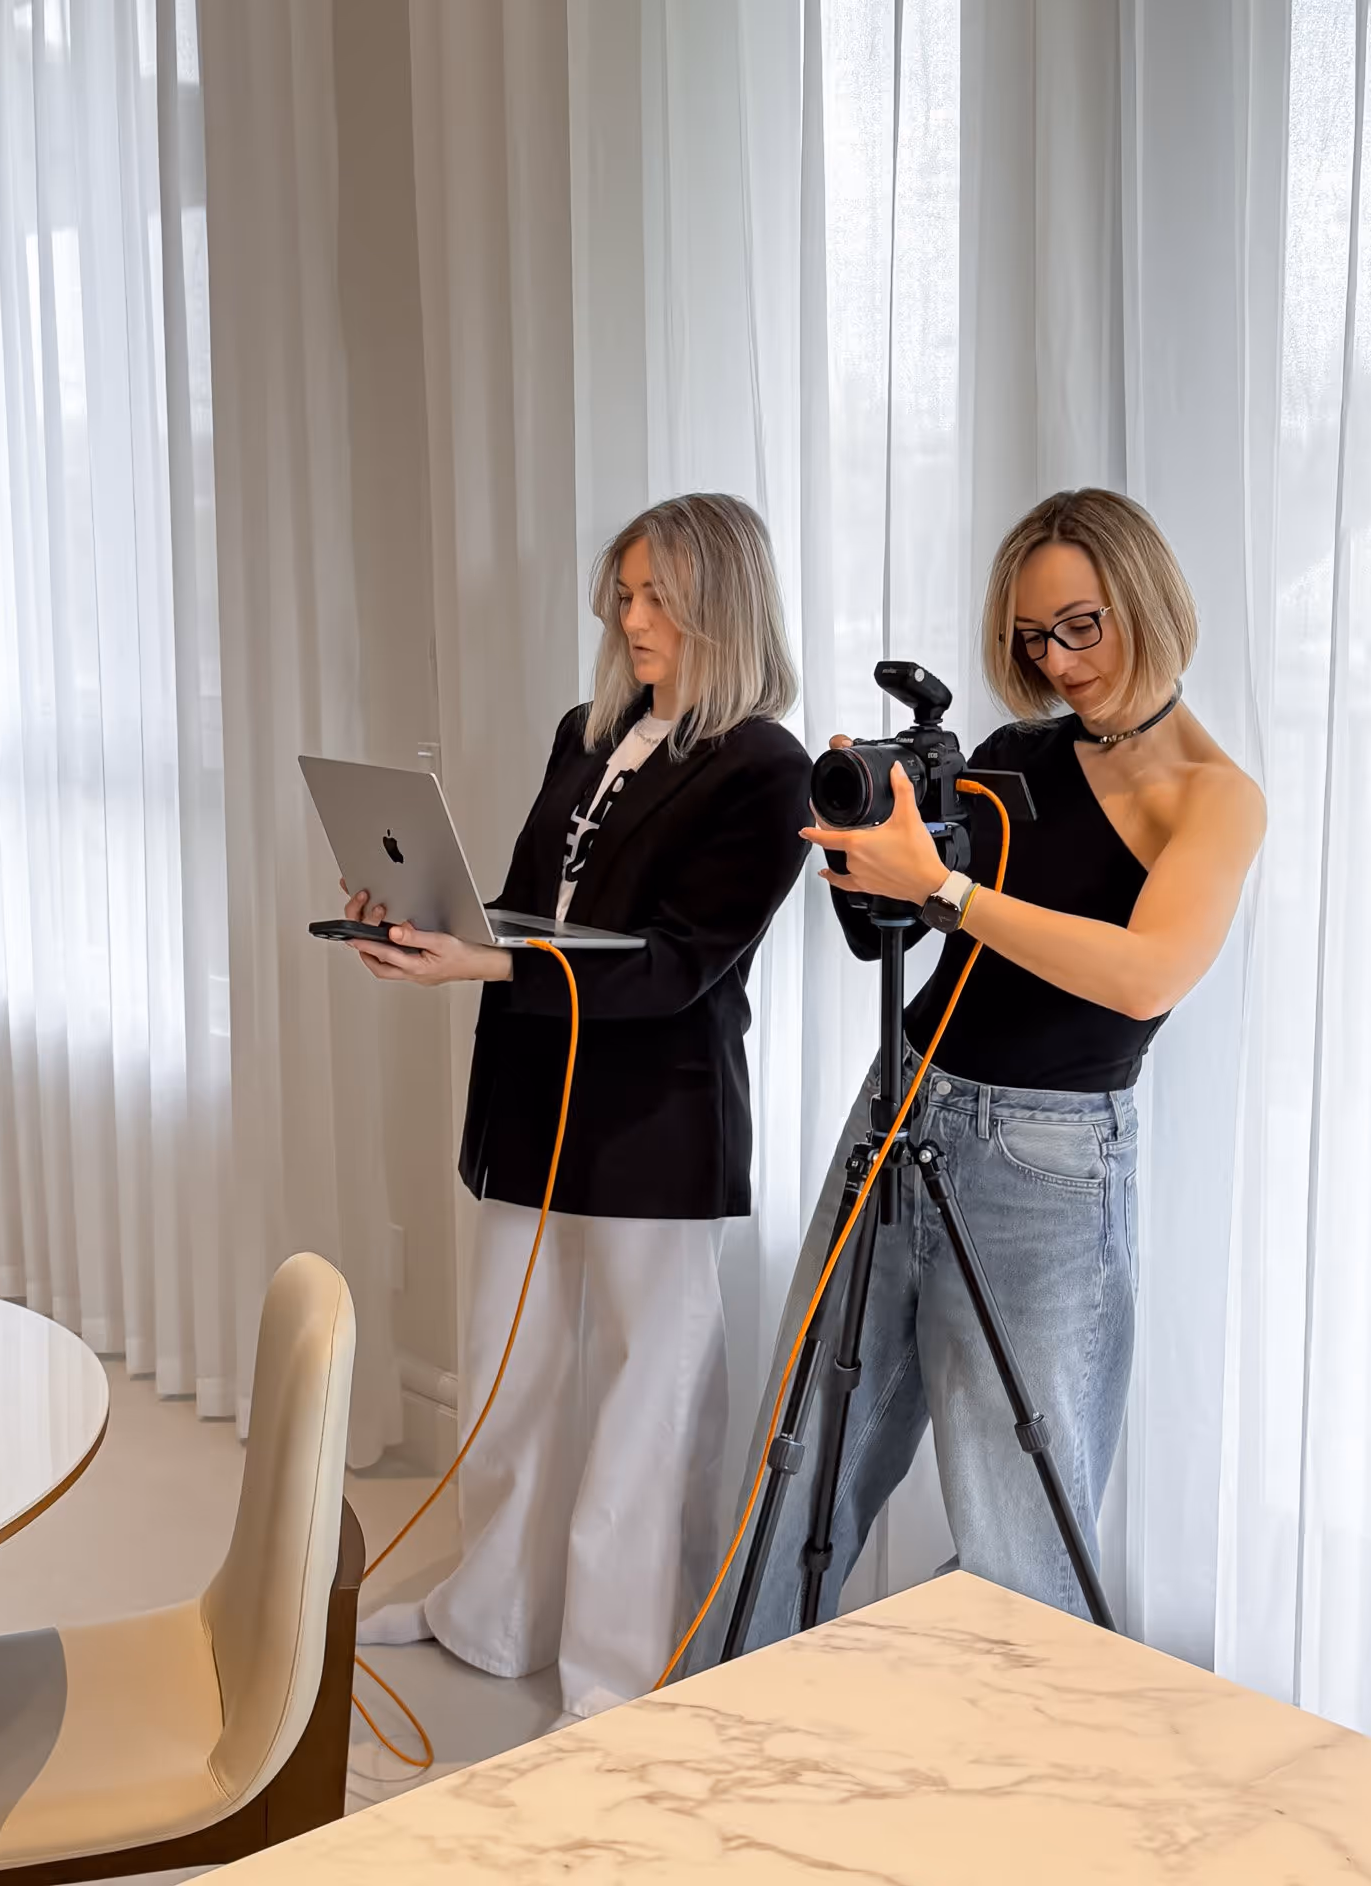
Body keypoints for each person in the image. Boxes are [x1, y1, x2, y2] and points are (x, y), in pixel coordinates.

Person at [685, 487, 1265, 1669]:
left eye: (1081, 625)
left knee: (1016, 1547)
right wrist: (869, 868)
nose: (1061, 660)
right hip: (899, 1103)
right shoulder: (1013, 754)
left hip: (1043, 1171)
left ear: (1148, 598)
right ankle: (707, 1779)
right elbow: (895, 932)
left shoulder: (1214, 798)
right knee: (794, 1475)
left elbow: (1145, 974)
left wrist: (945, 888)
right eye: (1034, 638)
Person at [343, 493, 811, 1719]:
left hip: (658, 1120)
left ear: (724, 601)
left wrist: (488, 963)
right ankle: (490, 1612)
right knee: (518, 1371)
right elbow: (521, 901)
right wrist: (422, 917)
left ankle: (617, 1672)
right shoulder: (587, 728)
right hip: (532, 1098)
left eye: (659, 595)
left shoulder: (765, 764)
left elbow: (681, 958)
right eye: (625, 592)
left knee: (647, 1398)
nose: (631, 615)